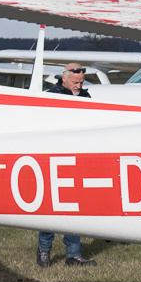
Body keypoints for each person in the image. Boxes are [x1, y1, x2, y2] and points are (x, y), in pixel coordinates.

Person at [38, 65, 97, 267]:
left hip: (75, 158)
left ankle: (74, 255)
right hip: (52, 159)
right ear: (64, 79)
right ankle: (44, 251)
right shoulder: (50, 97)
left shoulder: (85, 97)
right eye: (75, 82)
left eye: (81, 82)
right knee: (50, 209)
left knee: (73, 209)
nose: (78, 86)